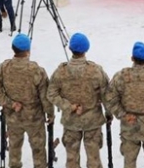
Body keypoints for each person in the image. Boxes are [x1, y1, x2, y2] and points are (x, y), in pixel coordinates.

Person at [47, 33, 111, 168]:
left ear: (71, 49)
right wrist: (108, 114)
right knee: (94, 159)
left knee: (71, 159)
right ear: (86, 49)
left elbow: (51, 94)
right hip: (92, 121)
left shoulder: (61, 71)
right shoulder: (96, 70)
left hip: (71, 121)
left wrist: (68, 106)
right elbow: (107, 95)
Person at [0, 34, 54, 168]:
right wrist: (50, 113)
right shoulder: (36, 70)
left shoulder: (4, 68)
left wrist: (8, 103)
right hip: (34, 119)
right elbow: (45, 96)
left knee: (14, 149)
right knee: (38, 151)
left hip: (13, 116)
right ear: (27, 51)